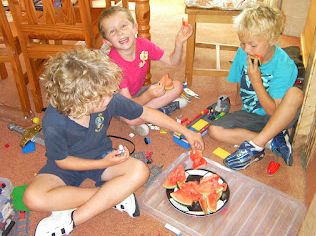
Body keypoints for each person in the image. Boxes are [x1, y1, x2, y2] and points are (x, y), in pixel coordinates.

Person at [23, 48, 204, 236]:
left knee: (140, 171)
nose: (109, 98)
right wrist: (103, 164)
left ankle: (72, 220)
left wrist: (185, 131)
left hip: (101, 155)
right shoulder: (53, 121)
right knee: (32, 198)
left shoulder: (107, 99)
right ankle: (113, 197)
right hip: (67, 165)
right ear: (78, 102)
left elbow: (146, 112)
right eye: (102, 96)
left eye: (109, 92)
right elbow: (62, 161)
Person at [208, 3, 304, 170]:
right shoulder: (243, 53)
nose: (246, 49)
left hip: (277, 116)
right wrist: (237, 102)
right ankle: (272, 140)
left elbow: (273, 111)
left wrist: (256, 79)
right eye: (242, 43)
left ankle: (256, 145)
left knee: (296, 94)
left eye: (253, 45)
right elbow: (239, 82)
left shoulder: (284, 66)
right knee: (214, 131)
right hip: (252, 115)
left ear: (273, 39)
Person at [98, 6, 193, 136]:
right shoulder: (114, 65)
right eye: (113, 31)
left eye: (123, 26)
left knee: (177, 86)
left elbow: (173, 61)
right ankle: (157, 111)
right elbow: (127, 104)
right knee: (131, 118)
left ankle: (149, 113)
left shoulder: (144, 45)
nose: (120, 33)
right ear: (107, 41)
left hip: (137, 93)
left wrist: (179, 42)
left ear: (135, 28)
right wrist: (148, 95)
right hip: (120, 103)